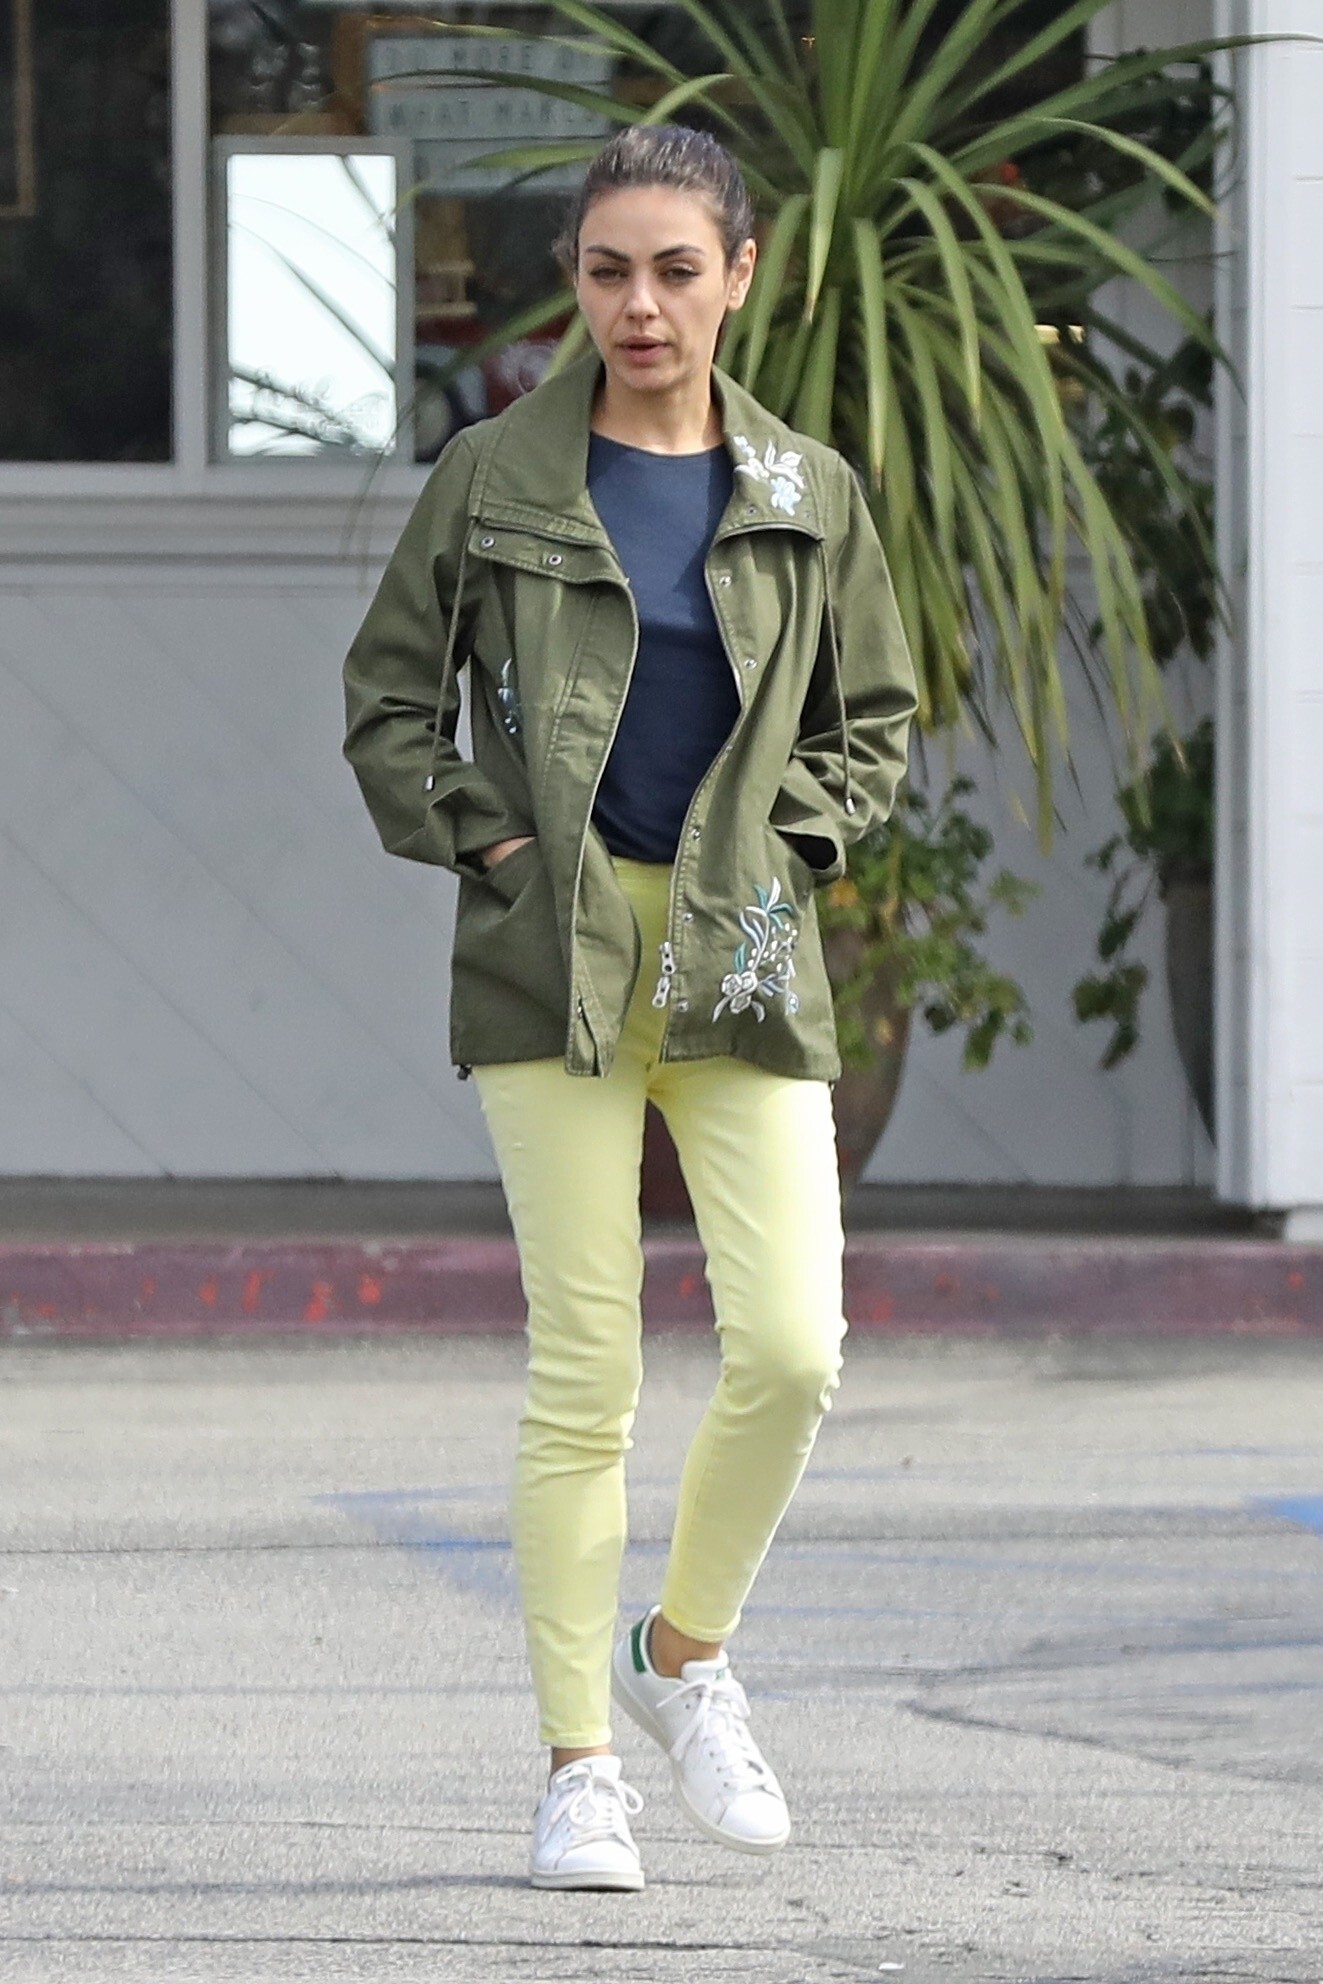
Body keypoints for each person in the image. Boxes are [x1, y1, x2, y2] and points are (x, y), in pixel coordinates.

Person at [343, 123, 918, 1893]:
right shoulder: (492, 477)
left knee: (795, 1348)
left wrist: (784, 849)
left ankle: (680, 1657)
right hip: (554, 949)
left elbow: (873, 724)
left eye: (676, 269)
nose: (641, 304)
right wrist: (498, 844)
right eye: (608, 271)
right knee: (585, 1371)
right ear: (575, 284)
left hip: (740, 950)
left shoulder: (808, 491)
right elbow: (388, 705)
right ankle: (578, 1769)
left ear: (740, 275)